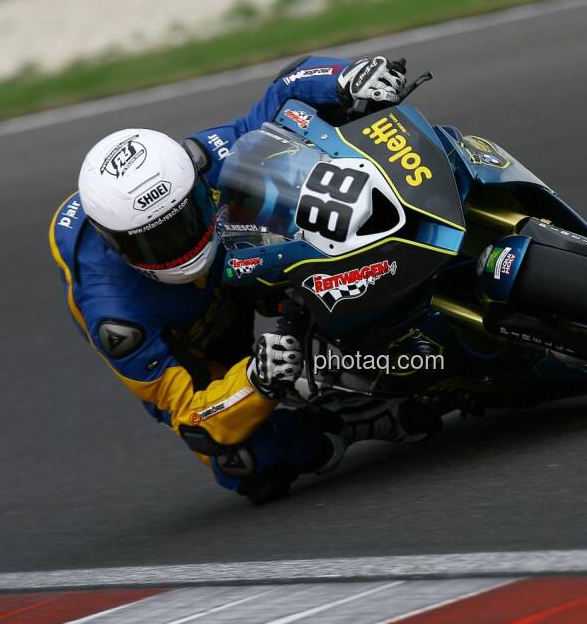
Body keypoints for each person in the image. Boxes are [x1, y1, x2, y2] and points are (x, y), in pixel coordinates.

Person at [49, 55, 437, 503]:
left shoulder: (195, 160)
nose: (181, 244)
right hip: (200, 347)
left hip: (238, 260)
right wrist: (256, 381)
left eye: (186, 216)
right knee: (243, 462)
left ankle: (388, 300)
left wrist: (344, 80)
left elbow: (280, 98)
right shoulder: (115, 316)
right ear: (114, 243)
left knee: (283, 180)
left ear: (192, 181)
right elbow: (190, 413)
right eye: (156, 241)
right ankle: (353, 418)